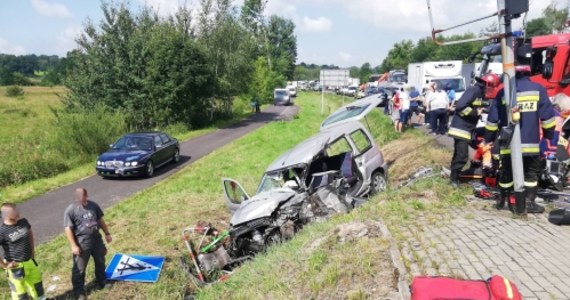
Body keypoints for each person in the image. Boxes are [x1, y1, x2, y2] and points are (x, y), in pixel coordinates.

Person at [485, 66, 556, 215]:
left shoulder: (503, 92)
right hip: (531, 144)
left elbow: (492, 120)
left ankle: (503, 202)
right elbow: (548, 118)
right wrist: (548, 136)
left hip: (508, 144)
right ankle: (529, 203)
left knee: (506, 174)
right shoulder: (538, 89)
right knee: (530, 175)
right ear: (529, 73)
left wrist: (489, 139)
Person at [448, 73, 500, 188]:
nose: (492, 89)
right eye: (492, 86)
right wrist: (475, 113)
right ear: (487, 84)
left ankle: (453, 176)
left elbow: (475, 105)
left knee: (458, 154)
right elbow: (460, 106)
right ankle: (453, 180)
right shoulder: (474, 90)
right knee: (462, 156)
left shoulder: (479, 93)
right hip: (461, 129)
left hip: (466, 129)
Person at [64, 188, 112, 300]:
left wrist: (107, 233)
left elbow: (100, 220)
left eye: (81, 195)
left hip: (97, 240)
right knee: (79, 269)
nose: (79, 198)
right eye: (77, 196)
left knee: (100, 261)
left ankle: (102, 282)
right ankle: (79, 292)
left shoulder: (93, 206)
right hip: (82, 243)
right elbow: (68, 229)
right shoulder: (70, 210)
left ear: (86, 195)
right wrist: (73, 245)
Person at [0, 203, 46, 300]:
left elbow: (29, 233)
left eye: (17, 210)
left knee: (37, 287)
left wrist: (33, 252)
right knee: (20, 294)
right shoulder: (2, 231)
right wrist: (5, 266)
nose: (18, 213)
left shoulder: (23, 222)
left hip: (30, 261)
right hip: (16, 267)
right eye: (14, 212)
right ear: (7, 215)